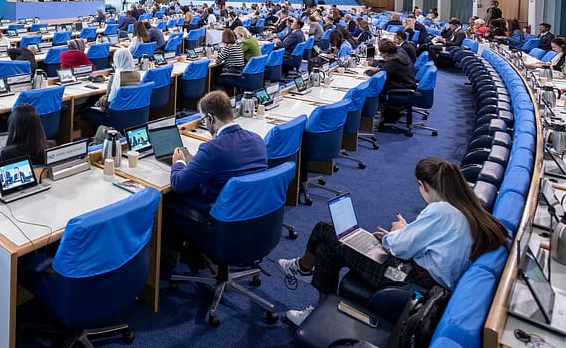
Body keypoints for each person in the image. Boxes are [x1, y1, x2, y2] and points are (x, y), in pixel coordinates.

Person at [278, 157, 508, 326]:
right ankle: (317, 311)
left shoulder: (440, 211)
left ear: (423, 185)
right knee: (328, 249)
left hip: (410, 281)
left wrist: (395, 232)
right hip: (426, 278)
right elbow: (428, 241)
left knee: (324, 230)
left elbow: (397, 247)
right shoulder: (466, 209)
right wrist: (408, 230)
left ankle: (302, 269)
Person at [166, 90, 267, 220]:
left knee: (169, 199)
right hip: (253, 210)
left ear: (210, 118)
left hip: (221, 216)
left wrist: (179, 162)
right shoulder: (257, 139)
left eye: (203, 119)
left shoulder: (212, 150)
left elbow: (178, 184)